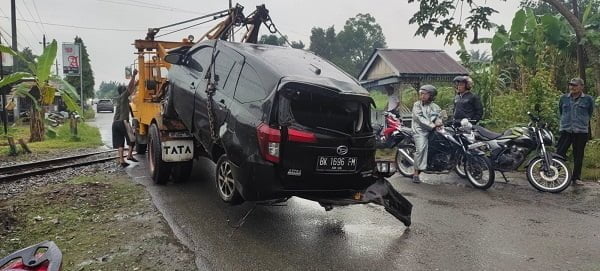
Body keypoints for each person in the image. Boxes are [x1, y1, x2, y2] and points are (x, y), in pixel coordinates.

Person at [556, 78, 594, 185]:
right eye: (571, 85)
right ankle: (553, 174)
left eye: (575, 85)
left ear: (582, 86)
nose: (572, 87)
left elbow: (590, 113)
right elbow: (560, 111)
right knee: (559, 153)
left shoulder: (588, 99)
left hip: (581, 131)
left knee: (578, 155)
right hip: (566, 130)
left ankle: (576, 178)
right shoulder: (563, 98)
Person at [411, 84, 442, 183]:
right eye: (421, 94)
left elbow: (439, 116)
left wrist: (439, 121)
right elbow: (419, 118)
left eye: (425, 94)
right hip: (420, 130)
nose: (422, 96)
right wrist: (432, 125)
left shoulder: (435, 106)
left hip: (432, 129)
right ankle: (416, 173)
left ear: (432, 95)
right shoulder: (417, 105)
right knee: (420, 149)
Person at [112, 69, 138, 167]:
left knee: (120, 142)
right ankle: (130, 155)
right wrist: (134, 76)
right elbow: (130, 87)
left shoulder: (119, 98)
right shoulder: (124, 96)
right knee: (132, 139)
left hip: (115, 123)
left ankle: (122, 160)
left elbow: (131, 88)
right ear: (124, 91)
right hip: (123, 122)